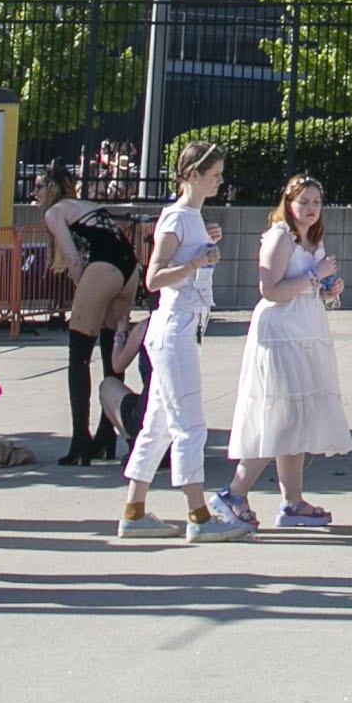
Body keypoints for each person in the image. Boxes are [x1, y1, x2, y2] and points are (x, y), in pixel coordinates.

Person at [222, 173, 352, 532]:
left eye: (316, 202)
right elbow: (270, 290)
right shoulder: (280, 236)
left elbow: (307, 286)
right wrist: (313, 276)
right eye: (304, 202)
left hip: (307, 329)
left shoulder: (313, 237)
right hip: (280, 333)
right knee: (282, 416)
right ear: (289, 203)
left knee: (299, 416)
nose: (311, 208)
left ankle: (292, 502)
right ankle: (235, 492)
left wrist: (326, 289)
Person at [121, 141, 229, 541]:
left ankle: (134, 510)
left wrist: (203, 250)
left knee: (159, 422)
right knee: (189, 422)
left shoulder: (191, 218)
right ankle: (198, 515)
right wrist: (197, 261)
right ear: (193, 175)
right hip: (175, 327)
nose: (219, 181)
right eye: (214, 174)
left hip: (183, 327)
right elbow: (153, 277)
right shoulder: (177, 217)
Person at [37, 166, 144, 463]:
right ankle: (107, 435)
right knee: (113, 351)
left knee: (79, 353)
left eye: (39, 187)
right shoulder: (86, 204)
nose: (35, 194)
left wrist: (82, 284)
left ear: (52, 188)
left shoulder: (55, 212)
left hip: (104, 267)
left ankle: (80, 442)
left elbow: (72, 257)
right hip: (128, 268)